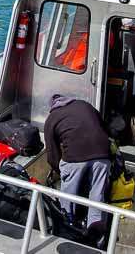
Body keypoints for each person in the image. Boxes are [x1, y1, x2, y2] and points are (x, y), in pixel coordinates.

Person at [44, 94, 111, 228]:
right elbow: (104, 127)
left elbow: (52, 155)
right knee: (97, 191)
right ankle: (95, 224)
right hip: (102, 153)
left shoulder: (52, 118)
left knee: (68, 195)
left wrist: (60, 171)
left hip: (75, 157)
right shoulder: (84, 104)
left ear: (53, 107)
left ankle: (67, 223)